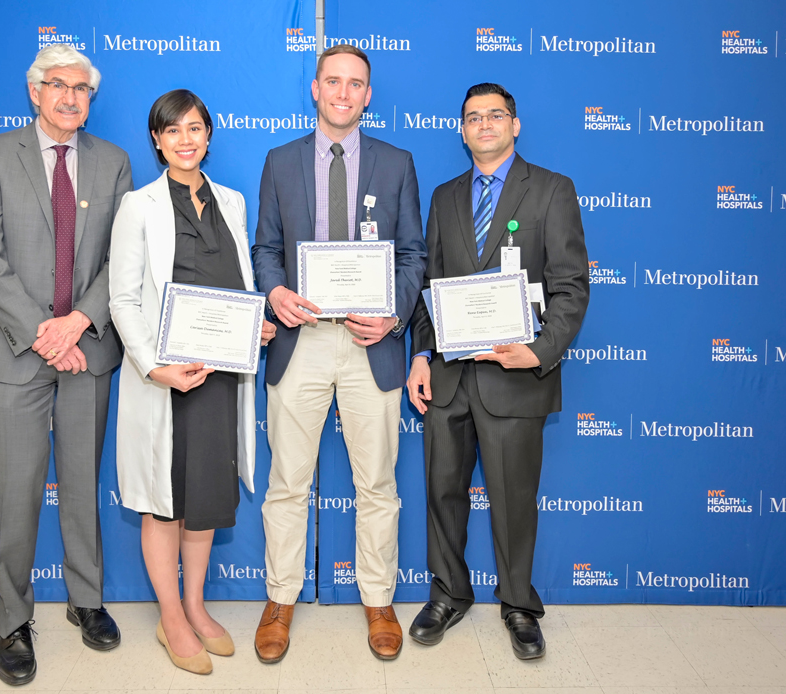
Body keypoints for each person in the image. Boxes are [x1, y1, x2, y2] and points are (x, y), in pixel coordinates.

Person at [251, 44, 427, 662]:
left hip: (369, 344)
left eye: (356, 84)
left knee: (377, 482)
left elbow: (413, 256)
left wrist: (394, 315)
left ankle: (378, 599)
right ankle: (280, 598)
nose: (344, 93)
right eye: (333, 82)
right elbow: (265, 247)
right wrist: (273, 291)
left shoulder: (397, 163)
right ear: (316, 89)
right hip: (299, 341)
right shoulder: (279, 161)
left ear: (368, 94)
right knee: (287, 483)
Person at [0, 44, 132, 685]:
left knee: (83, 485)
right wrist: (41, 332)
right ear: (34, 92)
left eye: (81, 88)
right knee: (17, 492)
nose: (70, 97)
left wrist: (77, 323)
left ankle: (86, 601)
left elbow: (124, 259)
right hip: (17, 353)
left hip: (86, 348)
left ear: (92, 98)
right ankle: (12, 620)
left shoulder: (113, 163)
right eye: (57, 85)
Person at [406, 83, 589, 660]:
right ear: (461, 131)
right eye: (472, 117)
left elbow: (570, 286)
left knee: (513, 498)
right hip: (449, 377)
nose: (483, 124)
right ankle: (449, 592)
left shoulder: (553, 191)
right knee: (442, 491)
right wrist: (419, 353)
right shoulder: (443, 197)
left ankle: (518, 604)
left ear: (515, 125)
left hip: (515, 376)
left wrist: (539, 351)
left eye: (495, 116)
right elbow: (429, 289)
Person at [108, 89, 276, 676]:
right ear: (157, 139)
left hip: (218, 379)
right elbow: (123, 300)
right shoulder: (139, 206)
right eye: (173, 130)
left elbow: (237, 287)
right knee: (164, 500)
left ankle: (198, 606)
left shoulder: (230, 201)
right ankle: (171, 616)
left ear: (209, 135)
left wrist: (254, 325)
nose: (186, 139)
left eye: (196, 128)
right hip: (165, 380)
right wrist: (155, 367)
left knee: (203, 498)